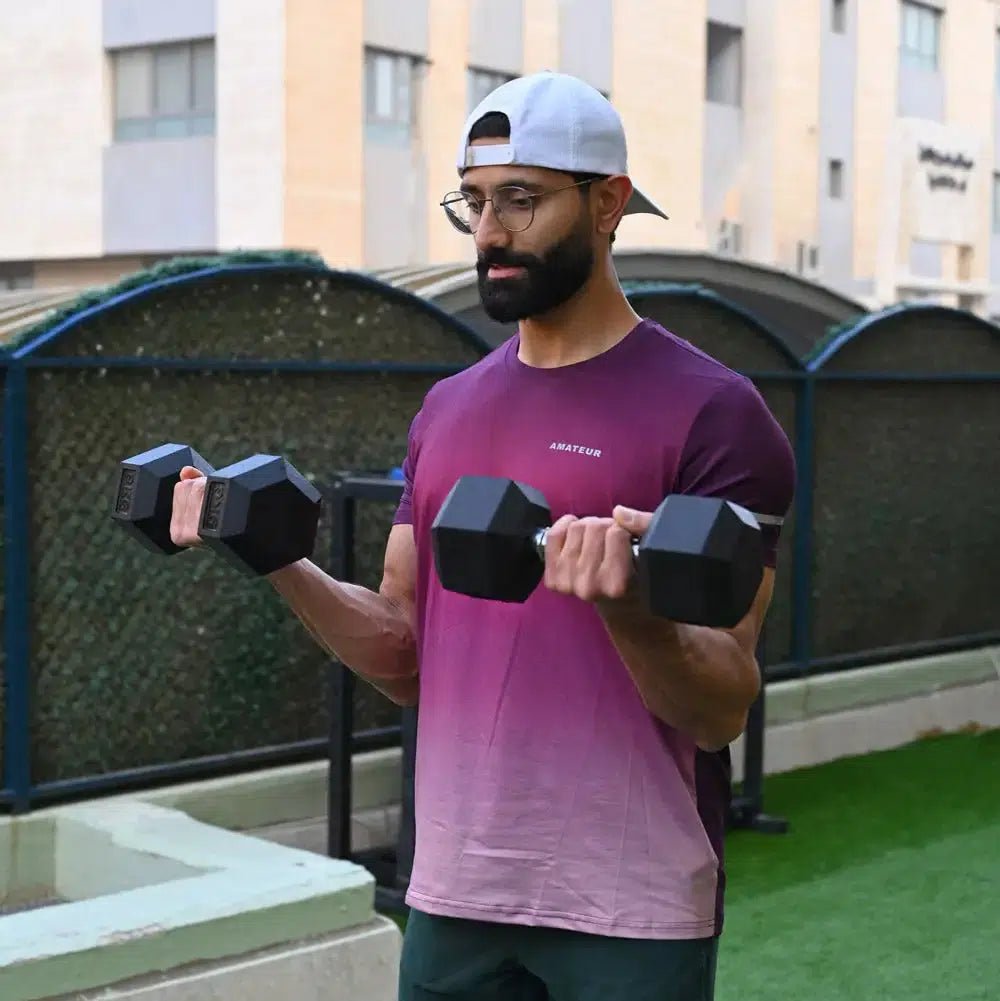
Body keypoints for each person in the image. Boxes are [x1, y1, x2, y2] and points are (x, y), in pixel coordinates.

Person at [171, 71, 796, 1001]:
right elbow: (406, 653)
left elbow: (719, 708)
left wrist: (633, 611)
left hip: (630, 906)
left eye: (521, 199)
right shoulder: (448, 410)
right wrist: (277, 559)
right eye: (473, 201)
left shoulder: (714, 413)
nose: (490, 231)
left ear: (608, 203)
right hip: (455, 892)